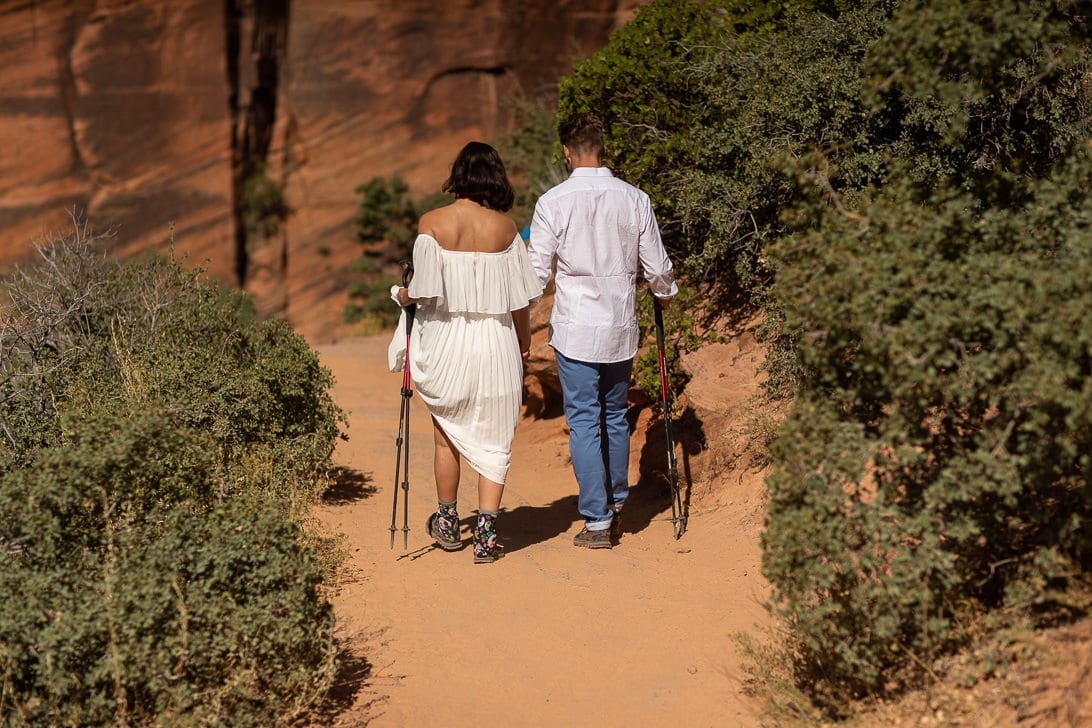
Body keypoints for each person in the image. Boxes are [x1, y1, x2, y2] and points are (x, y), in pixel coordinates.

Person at [527, 113, 677, 549]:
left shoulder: (552, 201)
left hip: (576, 329)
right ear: (603, 149)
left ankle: (596, 521)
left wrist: (516, 311)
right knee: (614, 417)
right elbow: (657, 267)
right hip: (618, 328)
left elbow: (536, 273)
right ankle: (615, 506)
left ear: (568, 152)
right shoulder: (635, 199)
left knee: (583, 421)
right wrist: (665, 293)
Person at [395, 141, 542, 563]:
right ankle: (486, 537)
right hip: (496, 340)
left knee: (447, 438)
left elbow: (422, 293)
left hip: (448, 342)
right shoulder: (508, 230)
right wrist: (524, 342)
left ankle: (447, 521)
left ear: (458, 175)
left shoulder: (433, 223)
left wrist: (401, 291)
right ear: (495, 177)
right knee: (495, 441)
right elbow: (520, 302)